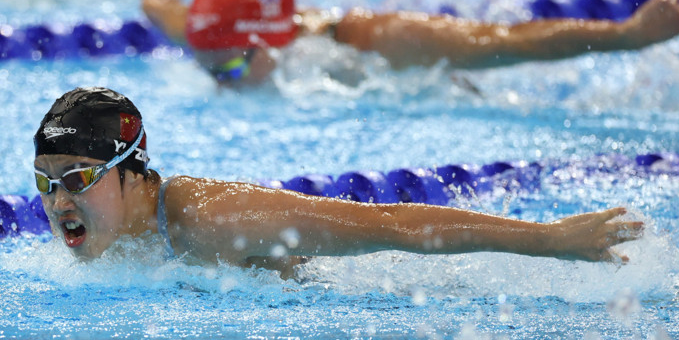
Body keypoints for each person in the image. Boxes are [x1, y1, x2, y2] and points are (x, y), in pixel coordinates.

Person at [35, 86, 644, 277]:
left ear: (136, 175)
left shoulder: (219, 219)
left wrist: (550, 239)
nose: (59, 199)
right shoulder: (102, 245)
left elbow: (392, 226)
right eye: (45, 183)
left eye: (77, 177)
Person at [140, 0, 679, 85]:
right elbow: (162, 9)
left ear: (278, 39)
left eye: (236, 65)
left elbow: (509, 42)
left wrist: (627, 35)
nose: (223, 78)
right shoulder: (211, 33)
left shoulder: (379, 41)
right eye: (207, 62)